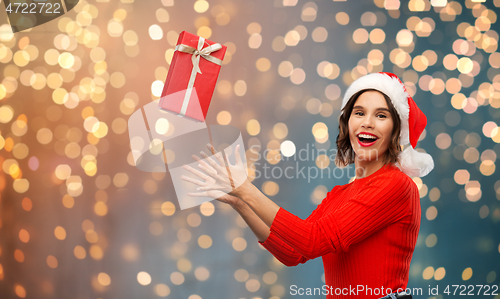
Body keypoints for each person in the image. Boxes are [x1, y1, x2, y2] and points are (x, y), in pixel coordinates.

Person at [181, 72, 434, 299]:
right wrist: (241, 203)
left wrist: (246, 189)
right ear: (347, 123)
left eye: (381, 115)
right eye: (359, 112)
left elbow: (312, 240)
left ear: (396, 131)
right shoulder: (340, 194)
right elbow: (294, 252)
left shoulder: (396, 185)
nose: (367, 122)